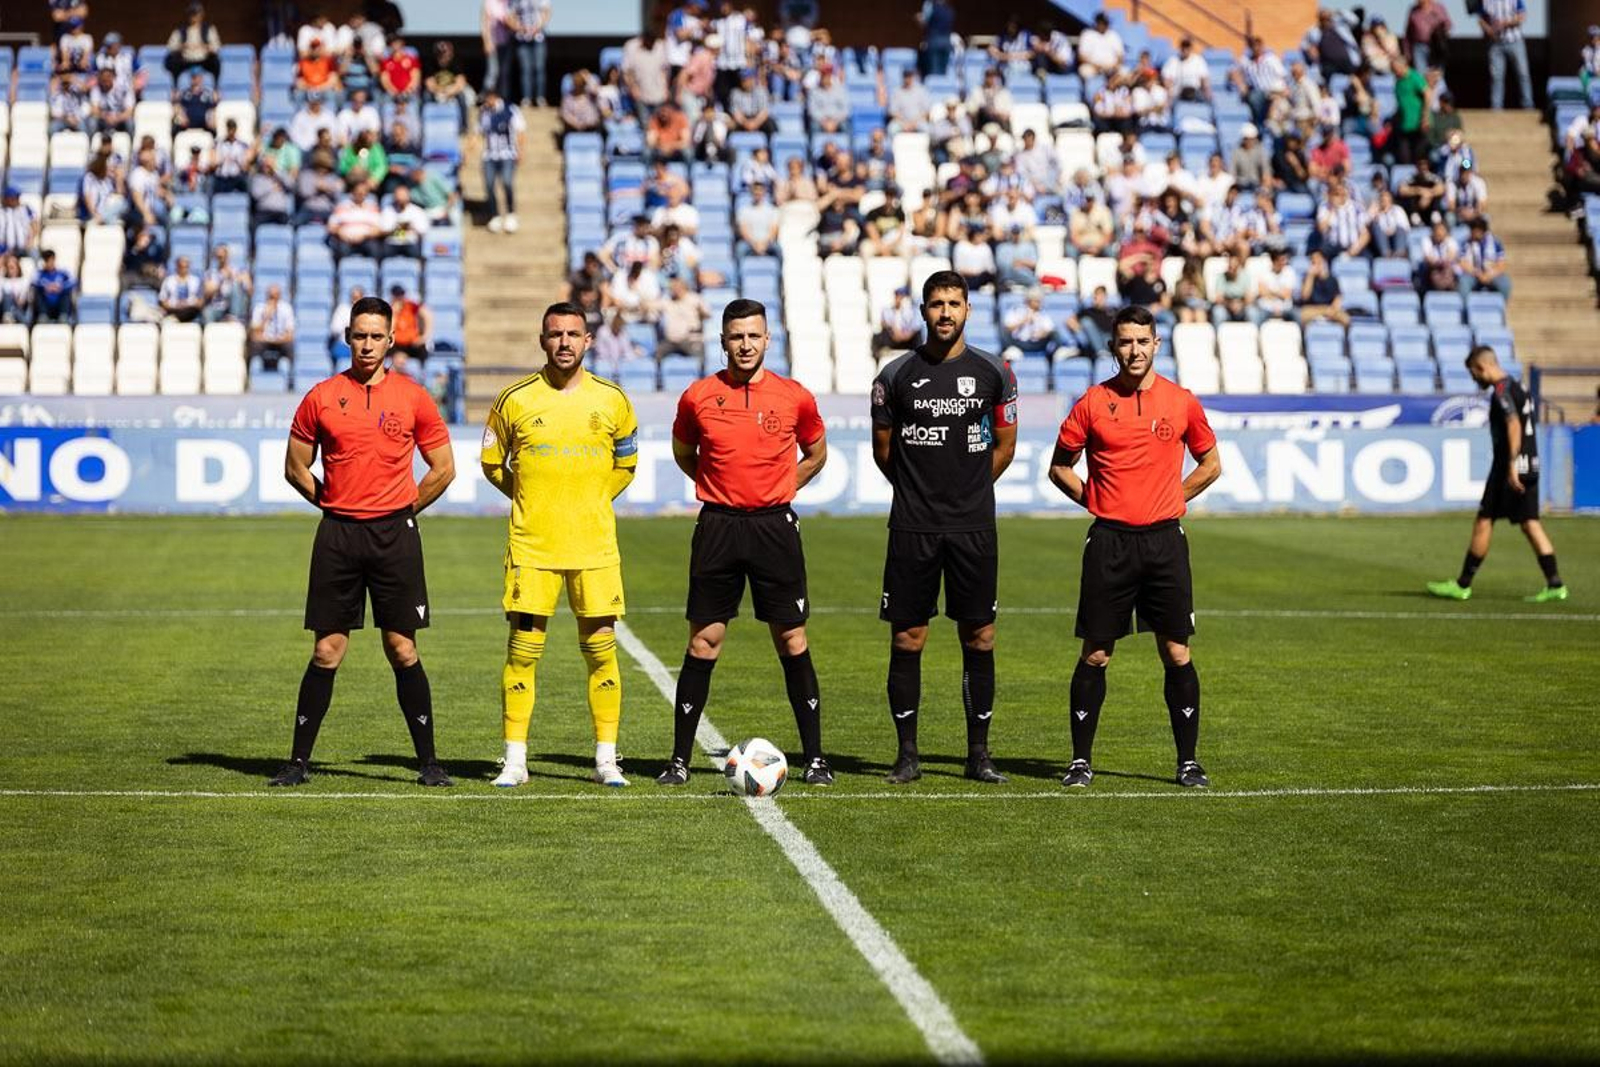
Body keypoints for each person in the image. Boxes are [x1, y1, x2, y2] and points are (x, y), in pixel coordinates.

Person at [270, 295, 457, 788]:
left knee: (402, 648)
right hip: (339, 535)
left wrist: (403, 509)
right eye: (360, 336)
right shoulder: (321, 396)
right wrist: (334, 505)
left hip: (395, 535)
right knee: (327, 650)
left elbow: (443, 469)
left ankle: (429, 763)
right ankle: (297, 763)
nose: (368, 345)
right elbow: (295, 467)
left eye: (377, 336)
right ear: (347, 338)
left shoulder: (414, 397)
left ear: (392, 340)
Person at [656, 298, 832, 787]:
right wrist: (716, 485)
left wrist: (782, 487)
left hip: (775, 528)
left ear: (768, 339)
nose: (746, 345)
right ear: (723, 341)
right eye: (737, 337)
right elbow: (683, 452)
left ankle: (816, 760)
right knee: (703, 641)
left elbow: (816, 453)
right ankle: (679, 761)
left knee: (792, 639)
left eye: (754, 336)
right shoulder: (698, 396)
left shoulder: (794, 396)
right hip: (718, 527)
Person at [1048, 305, 1222, 790]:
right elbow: (1060, 468)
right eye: (1125, 342)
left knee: (1176, 651)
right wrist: (1096, 501)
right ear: (1113, 347)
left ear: (1156, 345)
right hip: (1110, 543)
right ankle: (1080, 762)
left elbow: (1210, 464)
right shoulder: (1092, 402)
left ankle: (1188, 762)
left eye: (1143, 341)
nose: (1134, 350)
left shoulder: (1181, 402)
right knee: (1097, 654)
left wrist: (1173, 498)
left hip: (1165, 541)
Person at [479, 302, 639, 788]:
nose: (564, 342)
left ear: (588, 340)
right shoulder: (514, 399)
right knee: (522, 654)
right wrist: (530, 497)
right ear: (542, 340)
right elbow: (492, 463)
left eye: (573, 334)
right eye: (555, 334)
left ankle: (606, 760)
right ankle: (515, 760)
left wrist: (591, 500)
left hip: (594, 549)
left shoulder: (613, 400)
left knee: (601, 653)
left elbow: (626, 464)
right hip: (534, 549)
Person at [870, 270, 1018, 786]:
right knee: (908, 638)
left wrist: (967, 489)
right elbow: (884, 451)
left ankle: (979, 755)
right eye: (937, 304)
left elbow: (1005, 445)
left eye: (954, 303)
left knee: (980, 636)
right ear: (923, 311)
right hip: (913, 528)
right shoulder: (895, 375)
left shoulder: (995, 373)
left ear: (968, 310)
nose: (946, 313)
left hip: (973, 527)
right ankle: (907, 754)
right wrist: (920, 492)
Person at [1428, 346, 1567, 603]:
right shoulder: (1519, 386)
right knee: (1530, 523)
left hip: (1509, 467)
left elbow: (1513, 425)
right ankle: (1555, 583)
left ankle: (1462, 584)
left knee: (1484, 520)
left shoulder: (1501, 391)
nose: (1474, 379)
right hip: (1530, 464)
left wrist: (1511, 464)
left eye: (1473, 373)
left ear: (1482, 367)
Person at [480, 88, 526, 234]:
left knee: (507, 182)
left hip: (507, 153)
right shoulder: (484, 112)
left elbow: (520, 130)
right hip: (489, 155)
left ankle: (511, 213)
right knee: (489, 185)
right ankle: (495, 215)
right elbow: (479, 132)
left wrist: (520, 150)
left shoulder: (510, 110)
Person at [1479, 0, 1532, 110]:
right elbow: (1481, 19)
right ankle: (1496, 107)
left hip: (1515, 41)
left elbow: (1522, 16)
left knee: (1523, 74)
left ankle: (1528, 106)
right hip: (1495, 44)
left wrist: (1505, 23)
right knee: (1496, 77)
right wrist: (1488, 30)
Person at [505, 0, 551, 106]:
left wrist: (538, 27)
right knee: (525, 69)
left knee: (539, 68)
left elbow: (547, 12)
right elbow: (510, 16)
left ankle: (540, 98)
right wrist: (520, 28)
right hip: (522, 38)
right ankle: (527, 98)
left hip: (538, 37)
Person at [166, 2, 222, 80]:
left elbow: (217, 47)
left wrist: (206, 47)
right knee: (172, 61)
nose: (193, 16)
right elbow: (171, 46)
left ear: (201, 14)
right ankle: (175, 85)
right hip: (186, 58)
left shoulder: (209, 29)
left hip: (204, 59)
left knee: (216, 61)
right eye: (191, 14)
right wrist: (182, 47)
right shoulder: (180, 30)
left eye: (196, 13)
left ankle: (216, 85)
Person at [250, 283, 296, 370]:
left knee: (289, 347)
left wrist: (278, 339)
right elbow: (255, 334)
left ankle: (291, 373)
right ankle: (252, 371)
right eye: (271, 296)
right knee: (255, 346)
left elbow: (290, 335)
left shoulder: (286, 308)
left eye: (276, 296)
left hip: (280, 341)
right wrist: (265, 318)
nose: (273, 300)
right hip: (264, 341)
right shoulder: (259, 308)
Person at [31, 250, 76, 325]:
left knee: (66, 293)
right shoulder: (40, 273)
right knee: (37, 293)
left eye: (50, 260)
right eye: (46, 261)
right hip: (46, 306)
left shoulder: (62, 273)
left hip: (59, 305)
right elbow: (33, 282)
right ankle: (43, 316)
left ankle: (63, 316)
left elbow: (73, 282)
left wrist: (60, 287)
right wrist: (45, 287)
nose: (49, 263)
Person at [159, 256, 205, 322]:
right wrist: (176, 306)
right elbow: (163, 300)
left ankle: (176, 318)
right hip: (173, 308)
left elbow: (200, 301)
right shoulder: (168, 280)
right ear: (177, 266)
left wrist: (186, 304)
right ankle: (176, 317)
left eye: (186, 267)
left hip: (190, 309)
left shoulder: (195, 280)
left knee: (193, 311)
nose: (183, 269)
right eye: (181, 266)